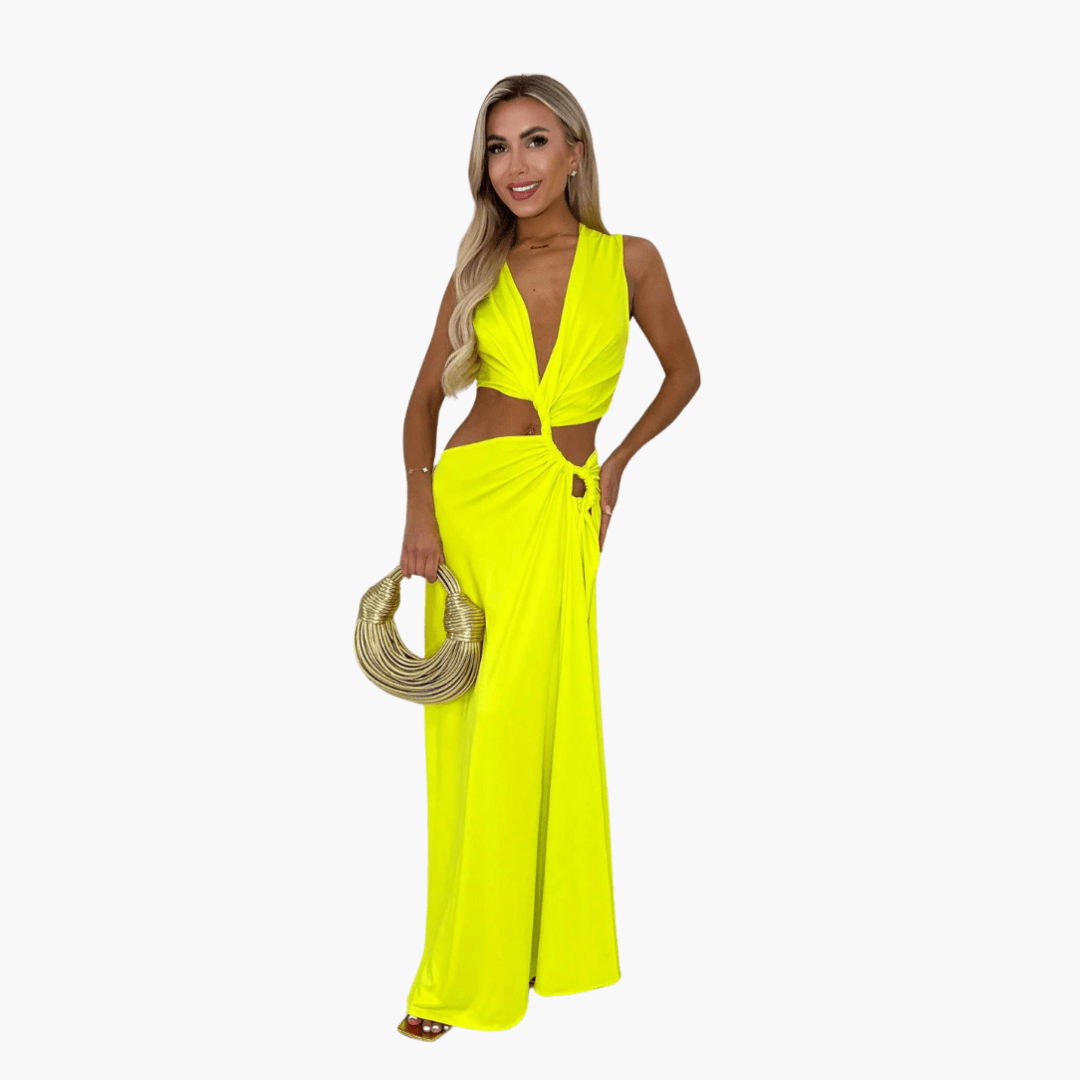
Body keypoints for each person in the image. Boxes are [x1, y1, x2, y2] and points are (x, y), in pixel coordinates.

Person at [396, 74, 701, 1041]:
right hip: (469, 507)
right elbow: (421, 402)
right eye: (497, 147)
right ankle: (459, 972)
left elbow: (685, 373)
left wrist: (617, 463)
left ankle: (525, 950)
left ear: (575, 151)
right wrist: (418, 514)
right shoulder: (478, 268)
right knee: (470, 736)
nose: (515, 165)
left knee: (531, 726)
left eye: (534, 141)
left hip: (560, 508)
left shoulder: (629, 261)